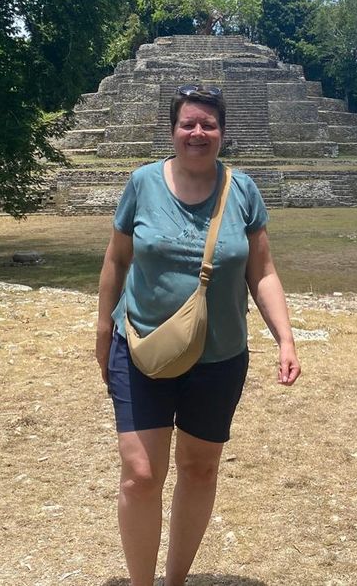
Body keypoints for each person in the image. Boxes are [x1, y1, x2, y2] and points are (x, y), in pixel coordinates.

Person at [95, 84, 301, 586]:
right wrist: (102, 330)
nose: (197, 132)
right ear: (172, 130)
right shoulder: (142, 183)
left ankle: (175, 581)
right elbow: (117, 260)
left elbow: (262, 271)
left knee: (199, 468)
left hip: (219, 356)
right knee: (141, 474)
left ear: (223, 133)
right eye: (188, 123)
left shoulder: (243, 190)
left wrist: (286, 338)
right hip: (142, 347)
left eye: (208, 124)